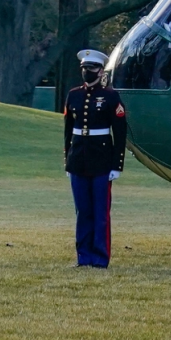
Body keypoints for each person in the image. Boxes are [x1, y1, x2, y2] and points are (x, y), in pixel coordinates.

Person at [63, 49, 129, 267]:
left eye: (91, 68)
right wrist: (68, 160)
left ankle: (100, 258)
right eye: (84, 68)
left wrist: (117, 164)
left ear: (101, 71)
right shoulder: (73, 94)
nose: (87, 72)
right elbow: (68, 131)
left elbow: (119, 133)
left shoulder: (110, 96)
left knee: (100, 213)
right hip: (78, 159)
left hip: (102, 161)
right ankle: (83, 257)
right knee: (83, 211)